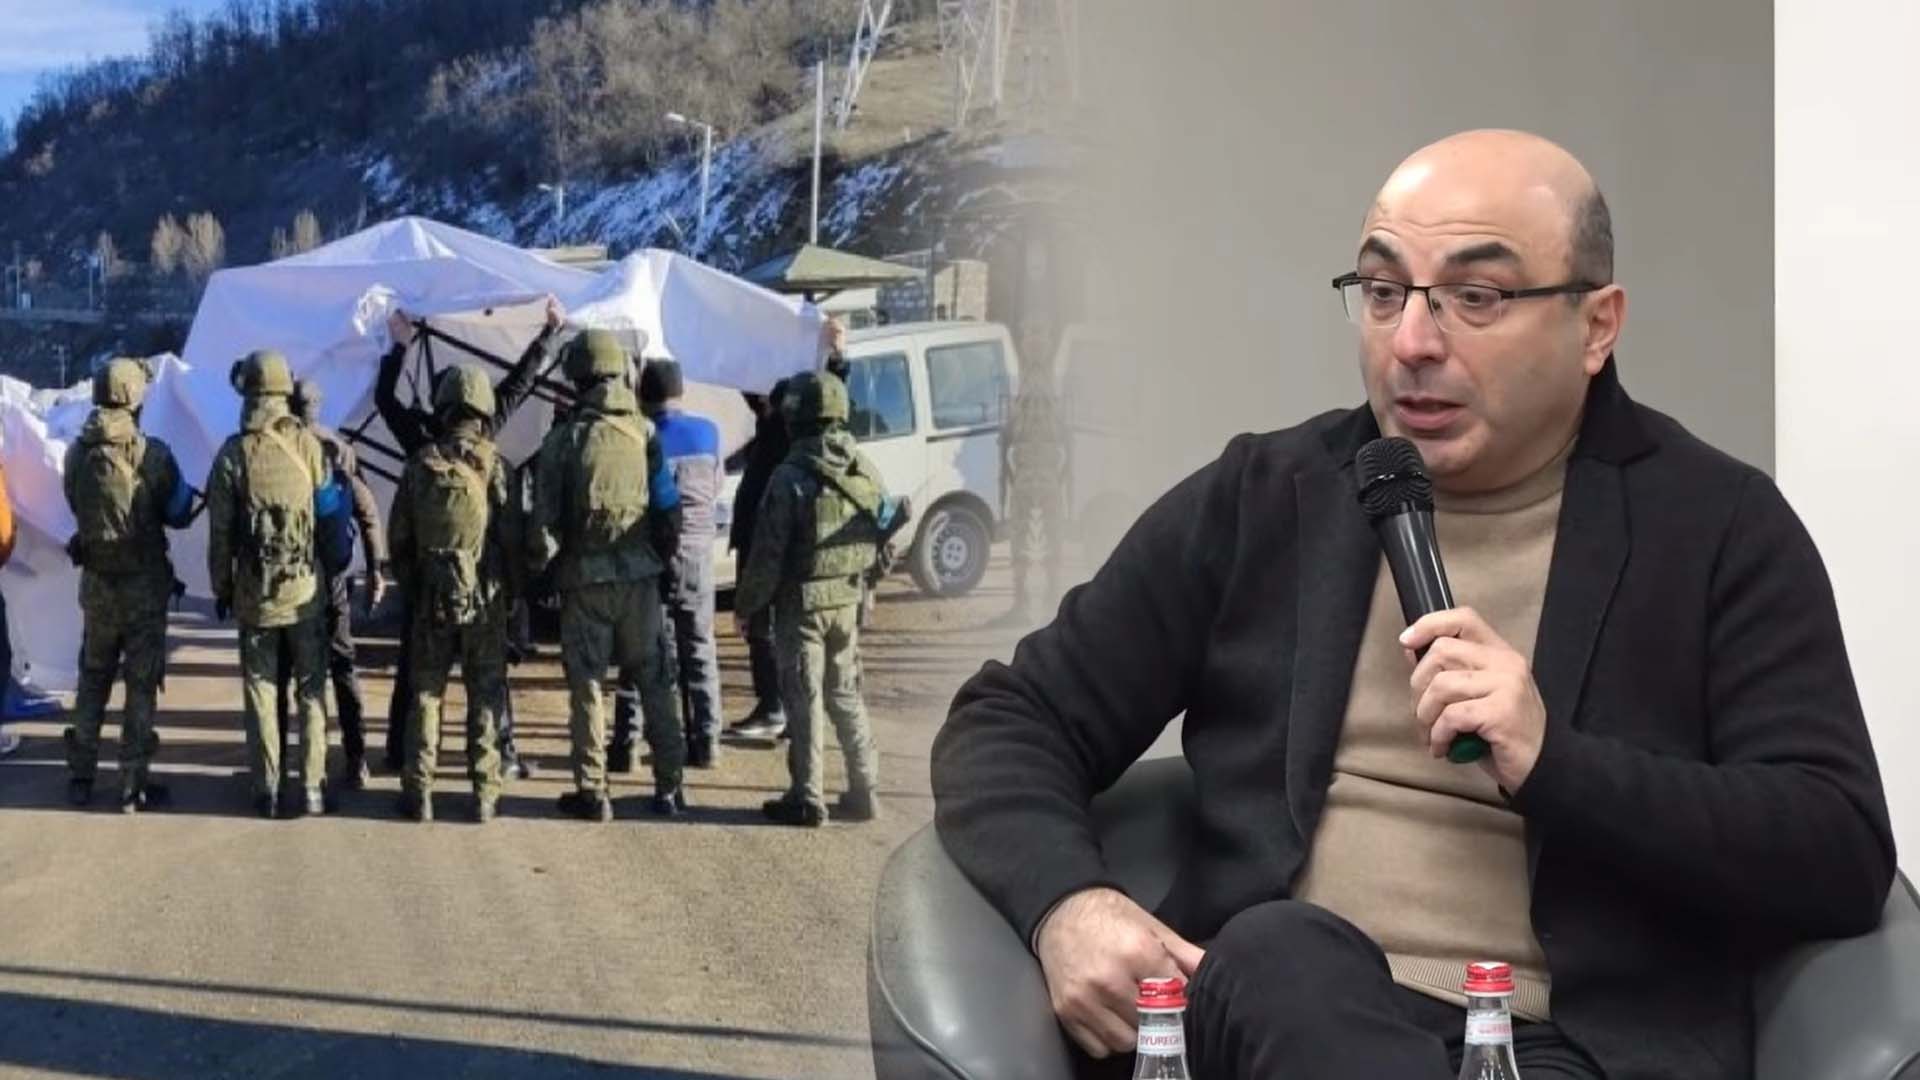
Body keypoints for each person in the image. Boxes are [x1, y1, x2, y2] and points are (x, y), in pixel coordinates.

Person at [929, 129, 1895, 1080]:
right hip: (1274, 1021)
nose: (1413, 344)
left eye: (1477, 298)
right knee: (1279, 953)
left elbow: (1839, 850)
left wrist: (1556, 762)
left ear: (1597, 326)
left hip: (1558, 1049)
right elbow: (1011, 717)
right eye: (1383, 292)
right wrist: (1068, 905)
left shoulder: (1718, 527)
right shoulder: (1264, 498)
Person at [376, 297, 563, 776]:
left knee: (418, 678)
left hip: (431, 584)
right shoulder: (487, 444)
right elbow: (519, 386)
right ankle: (504, 756)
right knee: (489, 678)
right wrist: (547, 336)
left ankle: (402, 754)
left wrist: (399, 346)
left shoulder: (420, 445)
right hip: (483, 587)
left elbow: (384, 400)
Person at [735, 371, 905, 827]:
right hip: (847, 602)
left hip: (802, 608)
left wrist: (748, 607)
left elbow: (767, 557)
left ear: (796, 418)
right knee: (845, 693)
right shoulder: (864, 469)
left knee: (804, 698)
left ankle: (807, 797)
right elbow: (884, 540)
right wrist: (866, 581)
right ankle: (865, 789)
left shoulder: (788, 478)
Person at [529, 328, 687, 821]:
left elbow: (544, 527)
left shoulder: (563, 441)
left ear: (577, 377)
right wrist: (659, 561)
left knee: (588, 688)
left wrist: (539, 578)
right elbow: (668, 509)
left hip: (584, 582)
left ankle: (593, 792)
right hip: (641, 580)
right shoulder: (646, 434)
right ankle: (670, 788)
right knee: (656, 682)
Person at [207, 349, 347, 818]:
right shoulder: (308, 446)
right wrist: (334, 573)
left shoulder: (233, 454)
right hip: (305, 591)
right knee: (311, 688)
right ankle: (312, 788)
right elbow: (330, 518)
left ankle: (266, 789)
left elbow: (220, 534)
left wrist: (223, 588)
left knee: (261, 691)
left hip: (255, 595)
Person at [58, 359, 195, 809]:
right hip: (144, 591)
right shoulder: (152, 455)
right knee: (140, 684)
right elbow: (179, 513)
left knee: (93, 677)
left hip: (97, 587)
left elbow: (75, 504)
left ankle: (81, 776)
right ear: (136, 397)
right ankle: (132, 783)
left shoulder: (77, 454)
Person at [388, 366, 518, 823]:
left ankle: (419, 791)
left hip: (432, 598)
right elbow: (512, 539)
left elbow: (398, 539)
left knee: (426, 693)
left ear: (443, 407)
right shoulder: (496, 466)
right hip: (484, 600)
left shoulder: (419, 466)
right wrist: (509, 593)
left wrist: (417, 585)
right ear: (483, 409)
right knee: (485, 694)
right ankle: (484, 793)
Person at [274, 378, 387, 789]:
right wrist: (375, 569)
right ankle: (356, 758)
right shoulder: (339, 449)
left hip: (289, 578)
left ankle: (280, 763)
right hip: (335, 577)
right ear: (318, 407)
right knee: (342, 665)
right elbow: (367, 512)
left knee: (285, 672)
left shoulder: (275, 446)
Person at [725, 377, 792, 740]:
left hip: (764, 546)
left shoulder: (783, 438)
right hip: (755, 542)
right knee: (759, 629)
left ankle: (774, 707)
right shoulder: (770, 432)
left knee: (762, 628)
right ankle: (774, 705)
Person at [997, 320, 1071, 626]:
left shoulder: (1054, 382)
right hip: (1028, 472)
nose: (1033, 343)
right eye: (1028, 336)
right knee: (1022, 540)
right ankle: (1023, 605)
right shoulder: (1023, 380)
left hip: (1043, 472)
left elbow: (1066, 433)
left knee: (1049, 539)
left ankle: (1048, 604)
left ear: (1048, 342)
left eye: (1038, 336)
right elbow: (1010, 430)